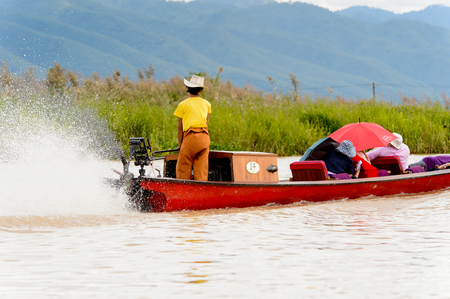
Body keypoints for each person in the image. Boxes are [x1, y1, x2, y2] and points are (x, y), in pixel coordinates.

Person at [173, 75, 211, 181]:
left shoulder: (183, 104)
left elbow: (180, 127)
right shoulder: (207, 104)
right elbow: (206, 123)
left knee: (183, 167)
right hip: (204, 138)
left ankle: (183, 189)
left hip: (191, 138)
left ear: (188, 89)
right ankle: (201, 189)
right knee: (202, 169)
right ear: (201, 90)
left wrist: (180, 145)